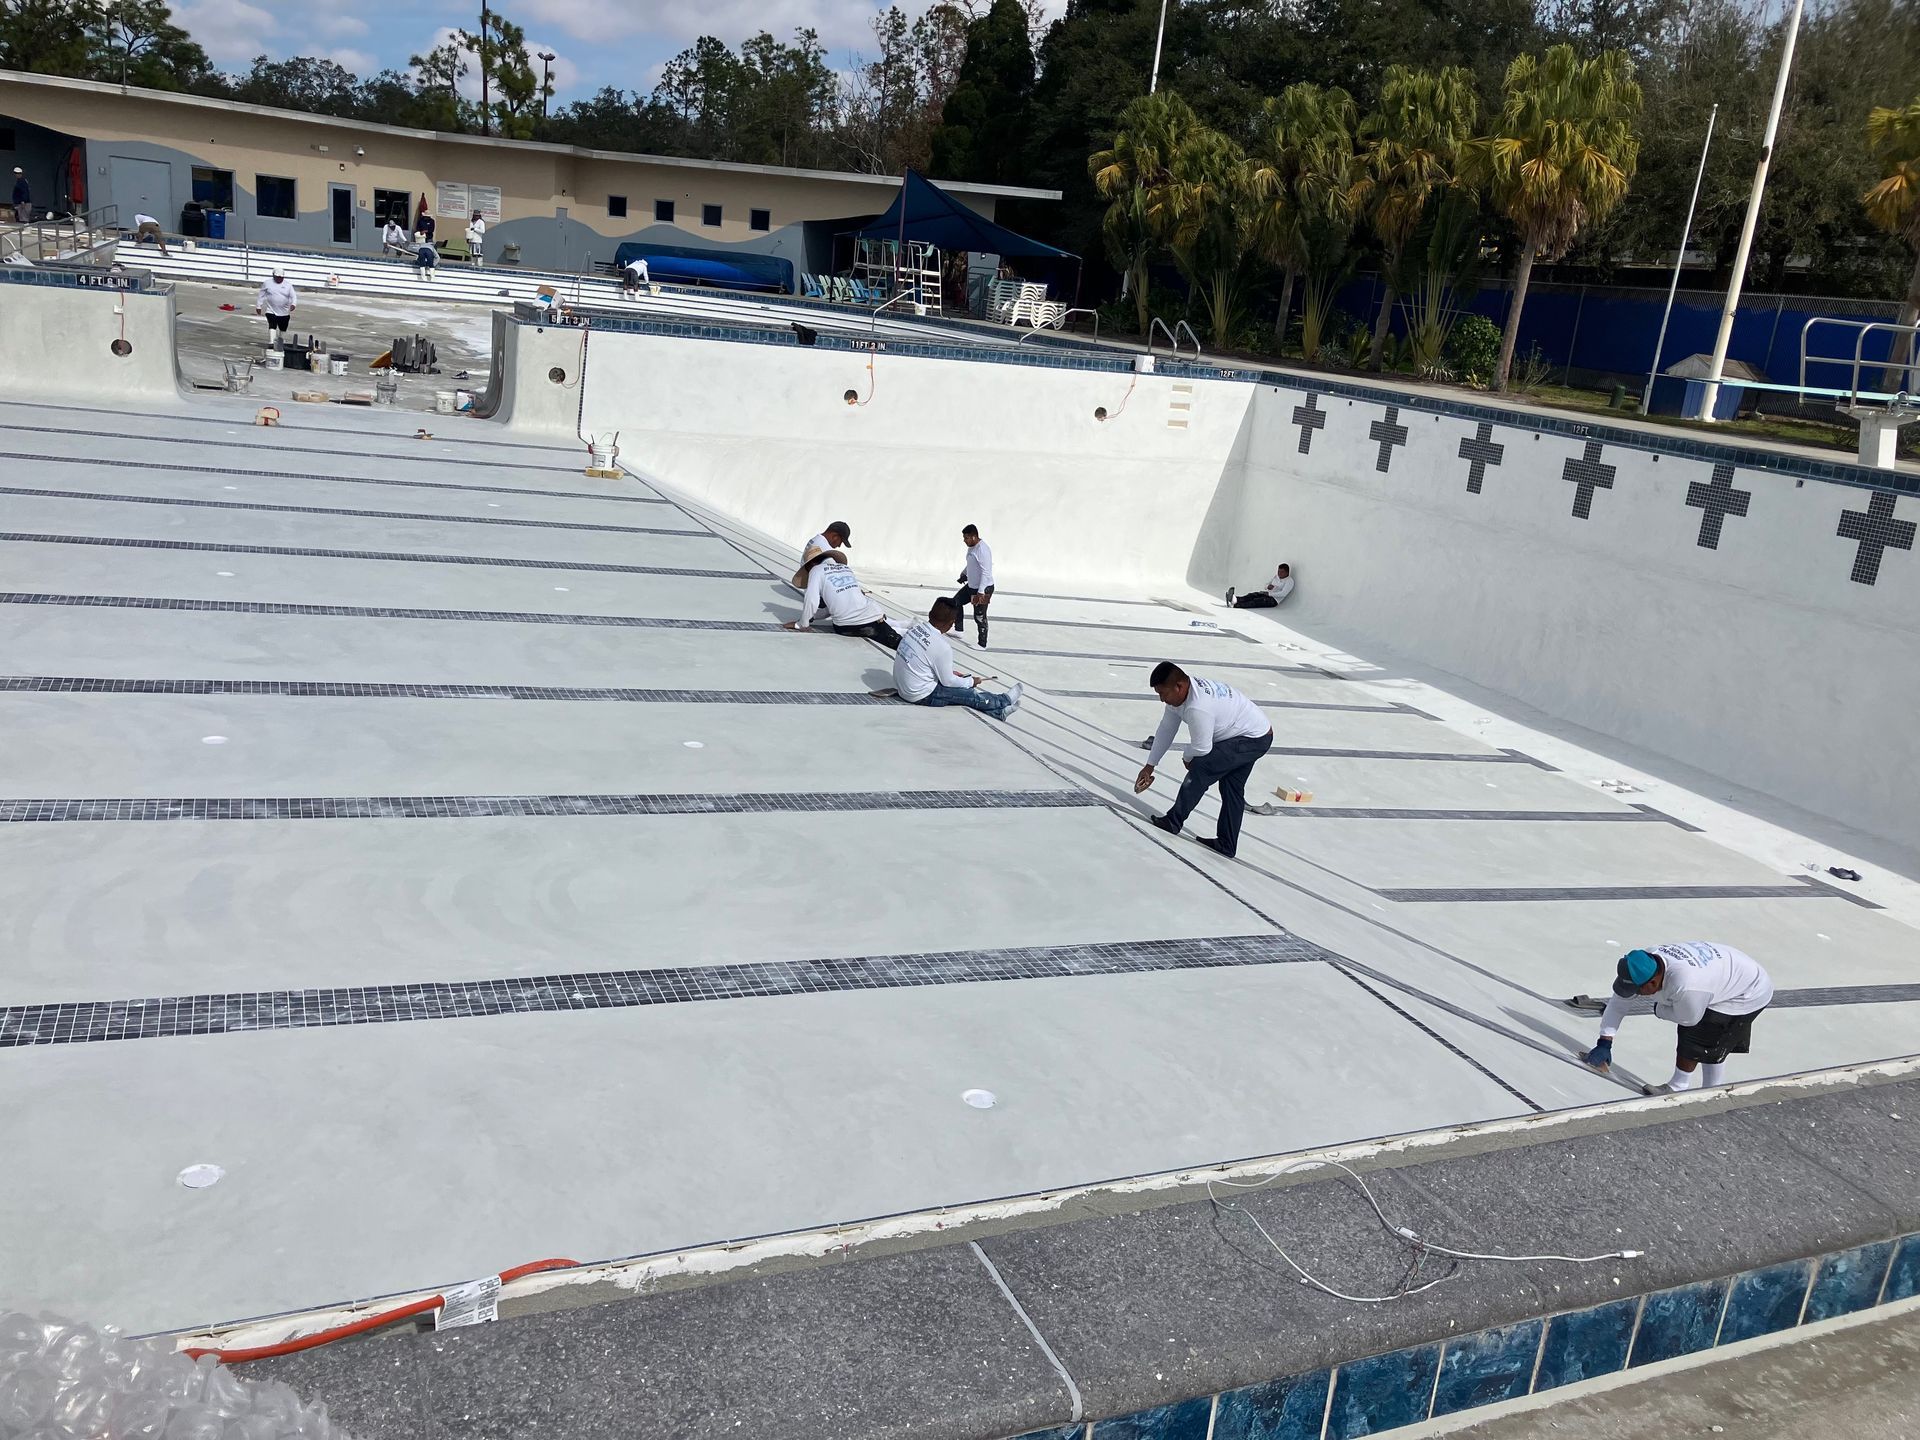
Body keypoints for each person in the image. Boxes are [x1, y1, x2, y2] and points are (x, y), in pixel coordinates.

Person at [1583, 943, 1774, 1095]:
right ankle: (1709, 1091)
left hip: (1748, 991)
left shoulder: (1686, 986)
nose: (1636, 994)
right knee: (1711, 1040)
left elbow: (1689, 1019)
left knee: (1703, 1037)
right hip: (1726, 972)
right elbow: (1619, 1003)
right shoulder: (1644, 963)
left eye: (1638, 990)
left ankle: (1686, 1087)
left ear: (1653, 982)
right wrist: (1604, 1042)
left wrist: (1659, 1010)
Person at [1134, 662, 1274, 858]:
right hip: (1257, 732)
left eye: (1163, 693)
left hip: (1252, 738)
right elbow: (1167, 729)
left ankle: (1173, 821)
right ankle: (1226, 843)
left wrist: (1187, 756)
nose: (1161, 699)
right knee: (1231, 788)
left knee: (1201, 768)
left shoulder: (1198, 707)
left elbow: (1202, 748)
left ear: (1179, 687)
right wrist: (1149, 766)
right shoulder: (1178, 698)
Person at [894, 599, 1022, 719]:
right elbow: (948, 682)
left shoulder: (915, 629)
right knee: (970, 694)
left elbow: (925, 662)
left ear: (930, 613)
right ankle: (1004, 701)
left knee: (961, 686)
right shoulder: (942, 647)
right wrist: (971, 682)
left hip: (903, 688)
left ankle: (998, 713)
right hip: (919, 694)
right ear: (951, 623)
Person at [784, 551, 901, 648]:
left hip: (847, 627)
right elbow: (836, 606)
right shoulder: (846, 568)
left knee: (896, 642)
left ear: (811, 565)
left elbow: (811, 600)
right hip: (869, 619)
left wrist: (802, 624)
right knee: (899, 643)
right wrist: (811, 617)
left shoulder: (816, 570)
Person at [952, 524, 995, 647]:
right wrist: (964, 574)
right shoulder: (972, 547)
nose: (964, 540)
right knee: (956, 602)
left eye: (966, 538)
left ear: (974, 537)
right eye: (964, 538)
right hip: (972, 586)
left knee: (979, 616)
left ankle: (982, 644)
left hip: (984, 588)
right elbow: (971, 563)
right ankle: (958, 630)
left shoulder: (983, 550)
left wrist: (980, 592)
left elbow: (986, 572)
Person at [790, 521, 852, 591]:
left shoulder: (815, 540)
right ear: (835, 536)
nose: (839, 545)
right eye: (841, 542)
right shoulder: (826, 552)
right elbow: (838, 581)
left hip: (809, 590)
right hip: (819, 597)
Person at [255, 269, 296, 345]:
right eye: (277, 277)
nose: (279, 279)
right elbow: (261, 295)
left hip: (284, 311)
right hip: (271, 310)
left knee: (283, 328)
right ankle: (272, 342)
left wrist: (293, 304)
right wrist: (258, 306)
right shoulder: (267, 283)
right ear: (273, 276)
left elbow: (293, 296)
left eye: (281, 277)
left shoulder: (288, 285)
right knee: (272, 324)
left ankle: (281, 341)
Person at [1226, 563, 1293, 609]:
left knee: (1257, 601)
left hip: (1274, 600)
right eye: (1278, 571)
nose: (1279, 574)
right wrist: (1267, 587)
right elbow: (1266, 585)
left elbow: (1283, 594)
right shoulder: (1276, 577)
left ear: (1287, 572)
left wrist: (1269, 594)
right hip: (1267, 594)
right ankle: (1235, 599)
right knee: (1252, 595)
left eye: (1282, 572)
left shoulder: (1289, 581)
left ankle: (1235, 605)